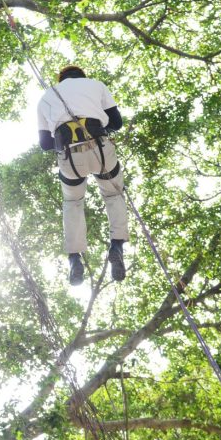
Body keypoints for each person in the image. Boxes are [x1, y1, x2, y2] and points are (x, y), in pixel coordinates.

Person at [37, 64, 127, 285]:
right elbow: (116, 123)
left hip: (70, 157)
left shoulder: (46, 97)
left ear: (61, 79)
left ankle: (75, 258)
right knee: (113, 195)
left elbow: (45, 144)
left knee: (73, 201)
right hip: (100, 149)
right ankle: (116, 246)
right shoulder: (96, 85)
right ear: (82, 75)